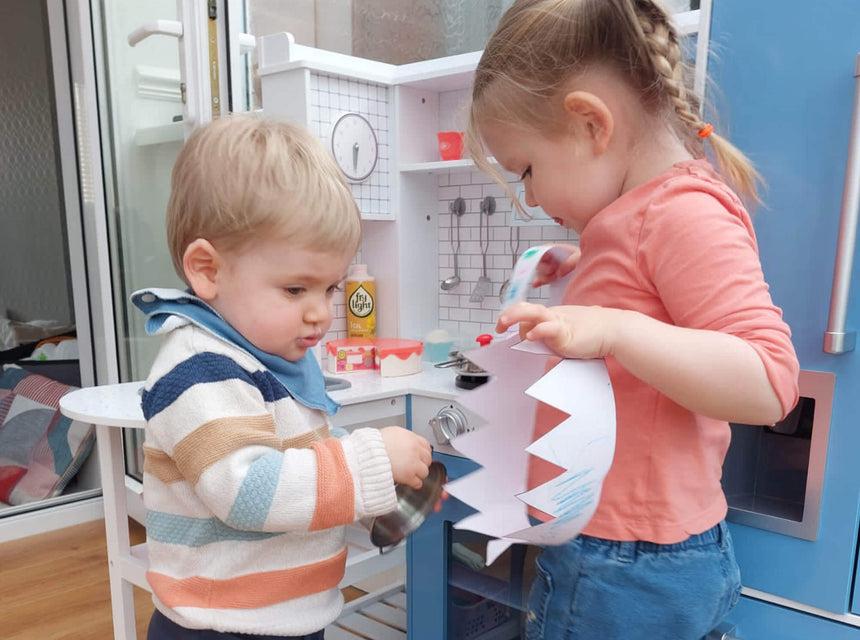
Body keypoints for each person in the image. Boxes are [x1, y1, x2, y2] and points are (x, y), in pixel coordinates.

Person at [465, 1, 800, 639]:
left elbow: (769, 380)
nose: (531, 197)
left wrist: (615, 328)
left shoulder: (679, 214)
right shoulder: (636, 217)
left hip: (627, 564)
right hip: (626, 552)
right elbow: (649, 291)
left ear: (591, 123)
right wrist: (583, 262)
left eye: (528, 170)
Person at [132, 114, 433, 640]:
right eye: (296, 289)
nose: (320, 312)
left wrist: (382, 491)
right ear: (208, 270)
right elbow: (248, 489)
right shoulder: (201, 366)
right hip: (220, 625)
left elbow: (300, 454)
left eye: (331, 289)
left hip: (287, 616)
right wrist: (369, 461)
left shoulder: (267, 353)